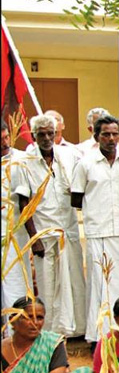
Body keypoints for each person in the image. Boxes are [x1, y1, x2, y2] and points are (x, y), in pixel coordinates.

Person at [16, 114, 86, 338]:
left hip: (68, 230)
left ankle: (74, 329)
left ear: (56, 134)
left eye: (50, 133)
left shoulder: (68, 157)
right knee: (47, 284)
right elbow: (23, 203)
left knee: (73, 279)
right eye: (42, 134)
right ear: (34, 136)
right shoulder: (25, 163)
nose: (47, 138)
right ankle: (49, 332)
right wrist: (33, 238)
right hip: (43, 234)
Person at [71, 115, 119, 344]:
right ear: (96, 136)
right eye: (105, 134)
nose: (110, 139)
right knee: (99, 288)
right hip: (98, 231)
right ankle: (98, 337)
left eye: (114, 134)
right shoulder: (86, 164)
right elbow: (76, 198)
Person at [1, 122, 32, 314]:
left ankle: (15, 329)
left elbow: (25, 199)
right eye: (0, 140)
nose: (5, 143)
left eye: (6, 138)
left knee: (15, 281)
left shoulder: (20, 160)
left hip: (13, 232)